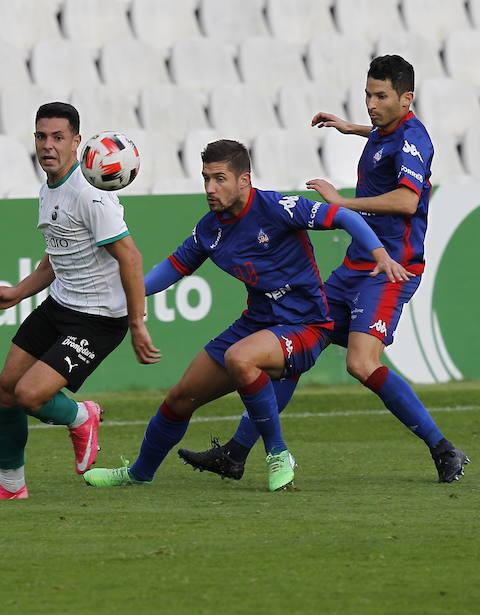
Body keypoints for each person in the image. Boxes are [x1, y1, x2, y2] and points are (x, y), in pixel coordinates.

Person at [177, 55, 469, 484]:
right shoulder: (388, 131)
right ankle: (236, 454)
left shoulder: (413, 140)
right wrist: (352, 128)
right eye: (368, 94)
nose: (371, 103)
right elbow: (387, 138)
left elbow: (408, 200)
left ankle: (444, 449)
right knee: (295, 347)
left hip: (391, 269)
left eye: (381, 96)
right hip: (356, 265)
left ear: (407, 99)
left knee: (361, 363)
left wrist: (341, 203)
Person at [82, 139, 411, 493]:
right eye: (206, 178)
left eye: (219, 178)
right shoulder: (210, 229)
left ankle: (278, 453)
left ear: (244, 180)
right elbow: (173, 269)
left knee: (240, 357)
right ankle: (139, 473)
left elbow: (344, 216)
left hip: (306, 326)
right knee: (180, 398)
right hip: (257, 324)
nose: (210, 188)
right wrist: (124, 291)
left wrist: (379, 254)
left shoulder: (277, 207)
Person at [0, 102, 160, 500]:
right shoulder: (49, 189)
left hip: (99, 318)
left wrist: (137, 322)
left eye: (57, 137)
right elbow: (56, 257)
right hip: (60, 306)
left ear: (76, 142)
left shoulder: (91, 195)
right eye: (40, 136)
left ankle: (83, 415)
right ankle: (10, 485)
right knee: (4, 390)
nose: (47, 145)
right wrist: (16, 292)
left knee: (30, 395)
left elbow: (131, 258)